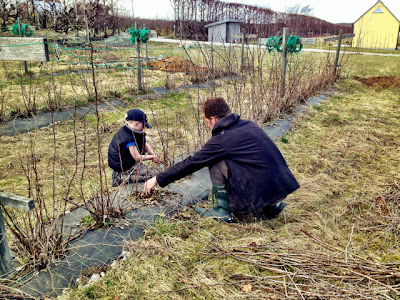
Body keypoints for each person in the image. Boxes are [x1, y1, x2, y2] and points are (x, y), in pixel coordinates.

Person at [144, 97, 299, 222]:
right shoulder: (248, 125)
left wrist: (157, 178)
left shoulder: (222, 139)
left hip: (257, 191)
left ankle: (222, 210)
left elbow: (192, 163)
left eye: (206, 122)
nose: (207, 126)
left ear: (213, 119)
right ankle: (271, 205)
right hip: (280, 185)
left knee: (214, 159)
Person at [108, 109, 162, 187]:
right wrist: (152, 157)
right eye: (143, 125)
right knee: (150, 176)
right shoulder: (128, 139)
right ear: (136, 123)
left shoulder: (132, 130)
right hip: (123, 164)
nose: (144, 128)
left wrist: (153, 154)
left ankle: (121, 173)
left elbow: (144, 143)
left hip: (126, 160)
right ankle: (122, 178)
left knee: (148, 172)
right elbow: (137, 157)